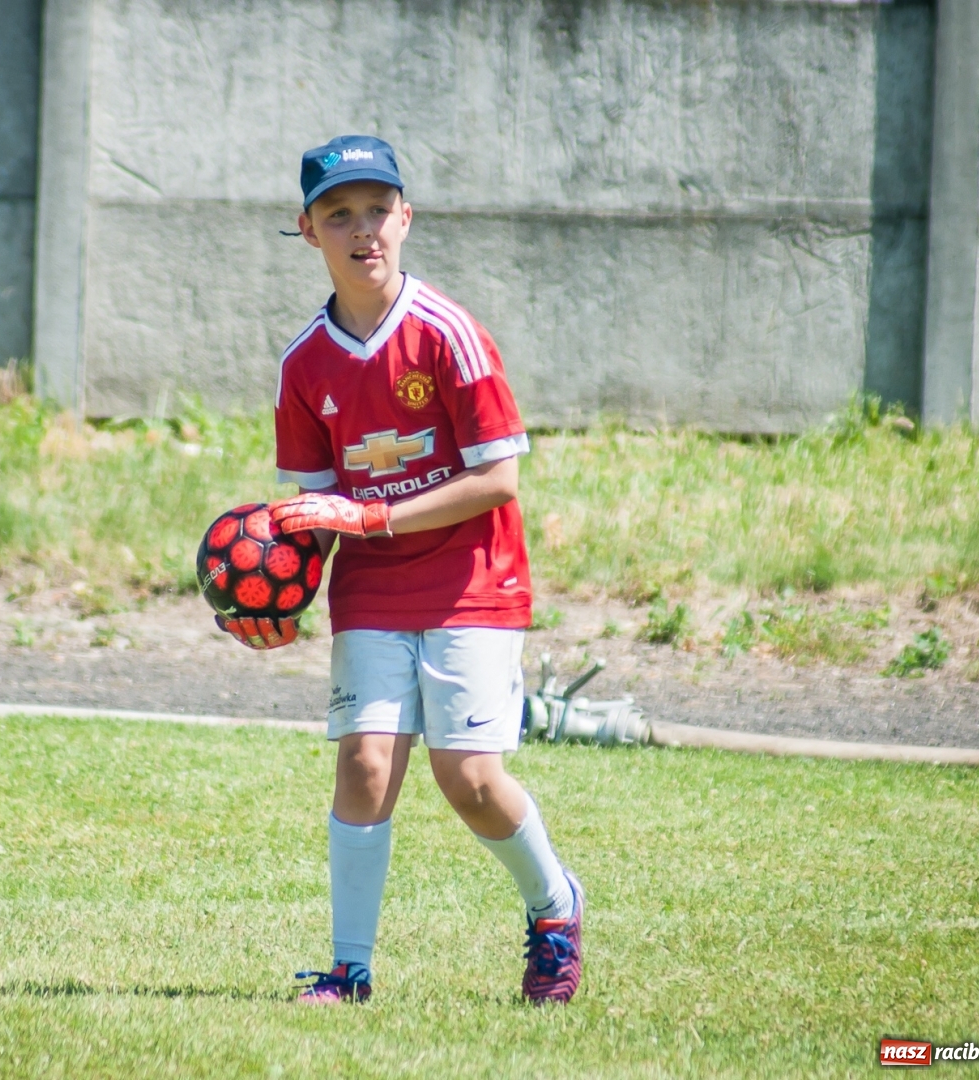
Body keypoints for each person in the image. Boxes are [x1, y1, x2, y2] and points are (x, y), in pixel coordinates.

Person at [216, 135, 583, 1006]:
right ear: (307, 231)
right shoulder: (304, 364)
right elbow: (312, 515)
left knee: (470, 780)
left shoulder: (448, 335)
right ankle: (348, 969)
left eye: (378, 210)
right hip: (374, 586)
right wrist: (274, 598)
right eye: (339, 214)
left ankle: (556, 908)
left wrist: (371, 514)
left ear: (406, 218)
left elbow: (499, 479)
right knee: (366, 767)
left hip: (472, 577)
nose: (363, 230)